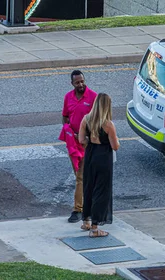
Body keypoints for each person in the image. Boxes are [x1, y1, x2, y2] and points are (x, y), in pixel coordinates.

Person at [78, 93, 120, 237]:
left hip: (90, 155)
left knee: (88, 187)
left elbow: (81, 139)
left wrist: (90, 143)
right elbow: (115, 146)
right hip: (103, 158)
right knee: (101, 191)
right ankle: (95, 228)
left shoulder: (86, 119)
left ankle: (86, 220)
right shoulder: (108, 124)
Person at [62, 70, 97, 223]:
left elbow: (98, 119)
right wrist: (67, 129)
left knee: (81, 177)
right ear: (72, 84)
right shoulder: (68, 97)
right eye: (77, 82)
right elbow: (65, 116)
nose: (81, 84)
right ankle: (86, 205)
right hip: (73, 143)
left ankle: (78, 209)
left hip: (87, 142)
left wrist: (87, 136)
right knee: (79, 175)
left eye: (82, 81)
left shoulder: (93, 97)